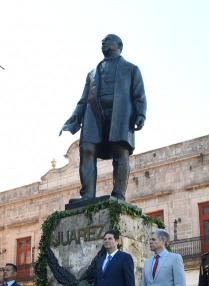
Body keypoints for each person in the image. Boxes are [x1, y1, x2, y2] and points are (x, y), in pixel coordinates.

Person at [62, 34, 147, 202]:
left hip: (121, 114)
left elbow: (140, 95)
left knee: (120, 151)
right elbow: (84, 98)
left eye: (108, 40)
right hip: (93, 114)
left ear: (119, 45)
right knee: (87, 148)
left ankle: (118, 194)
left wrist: (141, 114)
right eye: (102, 42)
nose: (104, 43)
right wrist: (74, 118)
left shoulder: (131, 69)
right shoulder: (92, 73)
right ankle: (87, 195)